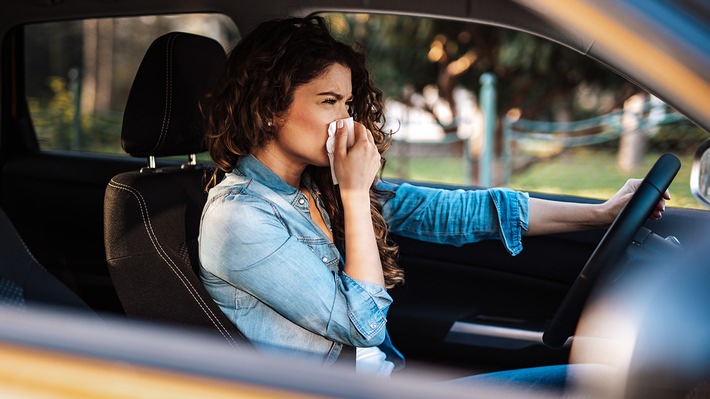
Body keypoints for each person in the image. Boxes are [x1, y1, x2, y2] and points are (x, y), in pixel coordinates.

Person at [198, 15, 668, 390]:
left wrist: (604, 213)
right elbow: (361, 326)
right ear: (270, 107)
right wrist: (356, 192)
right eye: (329, 101)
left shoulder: (318, 187)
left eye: (348, 103)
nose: (347, 120)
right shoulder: (239, 216)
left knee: (623, 380)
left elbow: (458, 213)